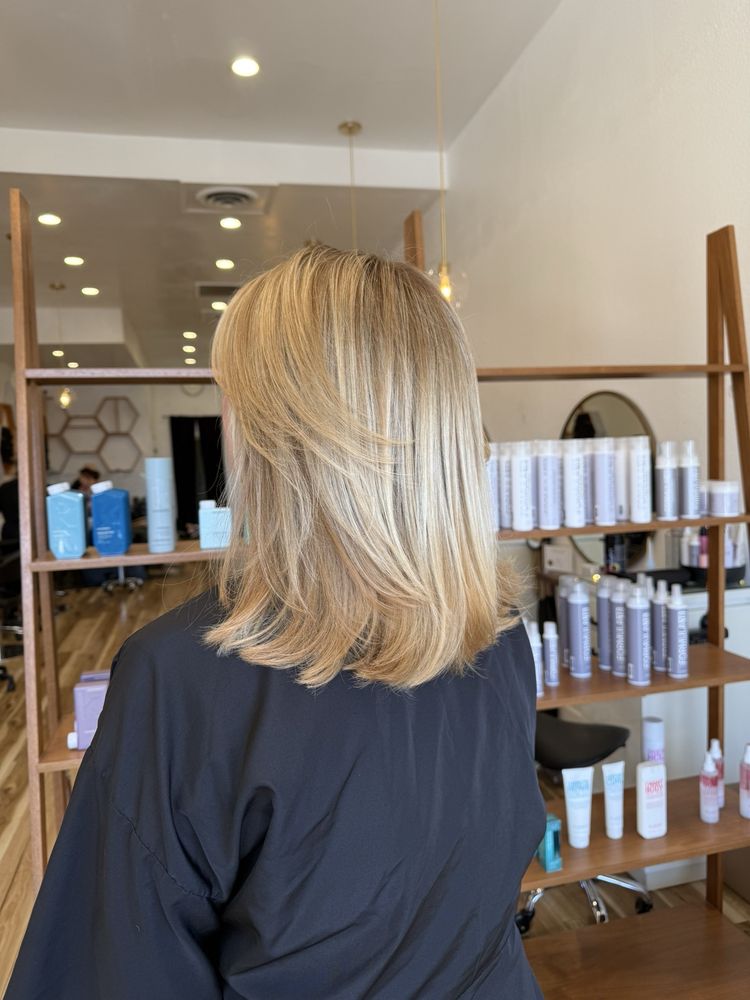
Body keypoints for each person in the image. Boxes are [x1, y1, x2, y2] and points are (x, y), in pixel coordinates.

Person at [7, 246, 545, 999]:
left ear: (271, 435)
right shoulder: (504, 632)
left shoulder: (181, 679)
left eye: (230, 397)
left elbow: (114, 974)